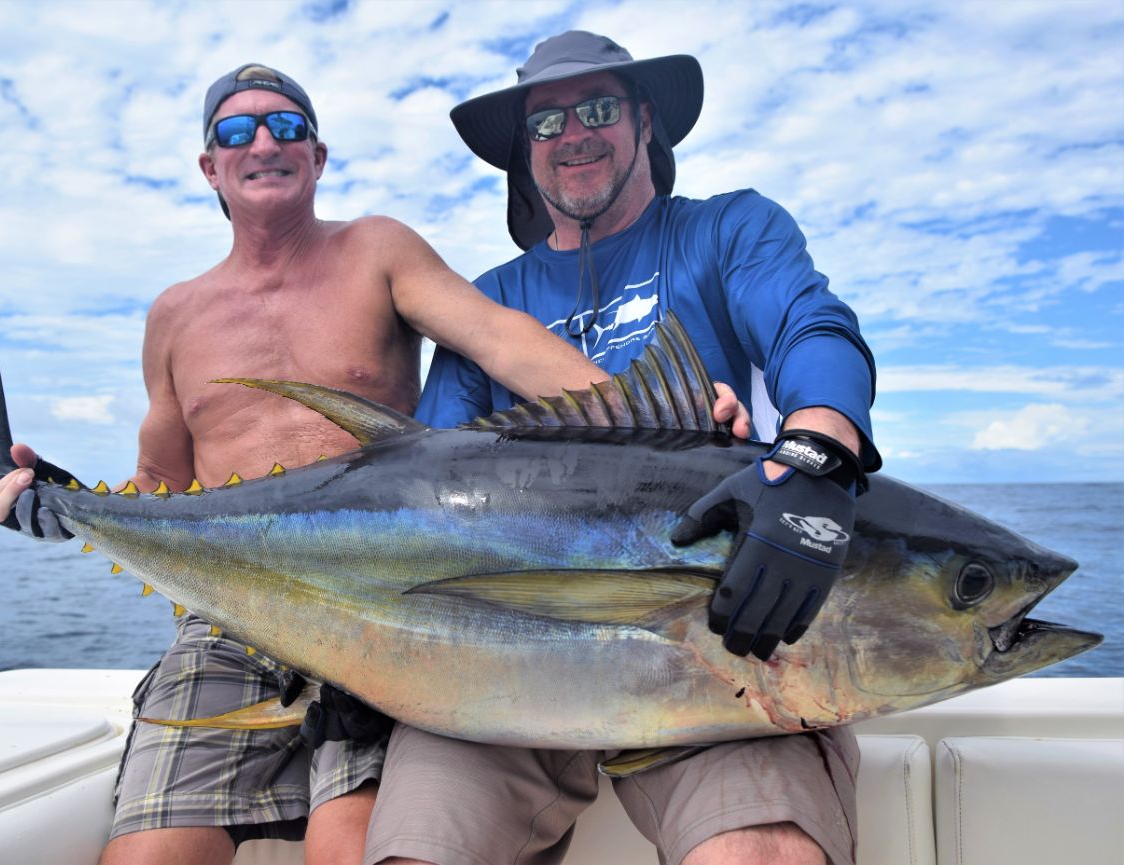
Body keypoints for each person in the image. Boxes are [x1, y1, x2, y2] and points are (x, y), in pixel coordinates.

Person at [0, 62, 663, 865]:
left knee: (351, 848)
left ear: (318, 155)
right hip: (230, 619)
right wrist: (60, 504)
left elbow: (496, 336)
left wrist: (639, 417)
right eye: (236, 131)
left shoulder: (376, 249)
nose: (263, 142)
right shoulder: (174, 314)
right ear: (211, 166)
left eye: (286, 127)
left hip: (383, 610)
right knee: (148, 854)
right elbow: (159, 487)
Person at [365, 31, 882, 865]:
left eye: (598, 107)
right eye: (545, 121)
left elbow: (808, 327)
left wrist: (819, 448)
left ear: (646, 121)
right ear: (523, 152)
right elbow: (424, 478)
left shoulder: (726, 230)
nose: (572, 132)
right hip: (503, 658)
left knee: (759, 851)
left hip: (719, 651)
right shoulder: (489, 301)